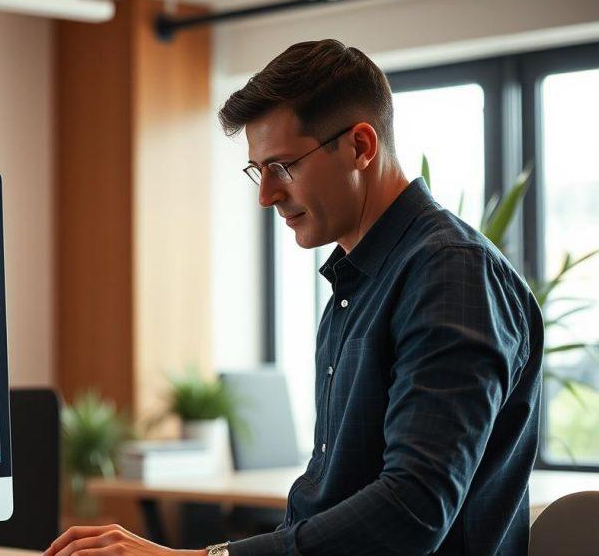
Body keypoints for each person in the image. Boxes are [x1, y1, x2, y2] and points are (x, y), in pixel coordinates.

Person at [45, 40, 543, 556]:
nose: (266, 195)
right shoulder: (360, 283)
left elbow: (413, 509)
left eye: (283, 166)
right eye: (257, 170)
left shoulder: (452, 273)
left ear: (360, 146)